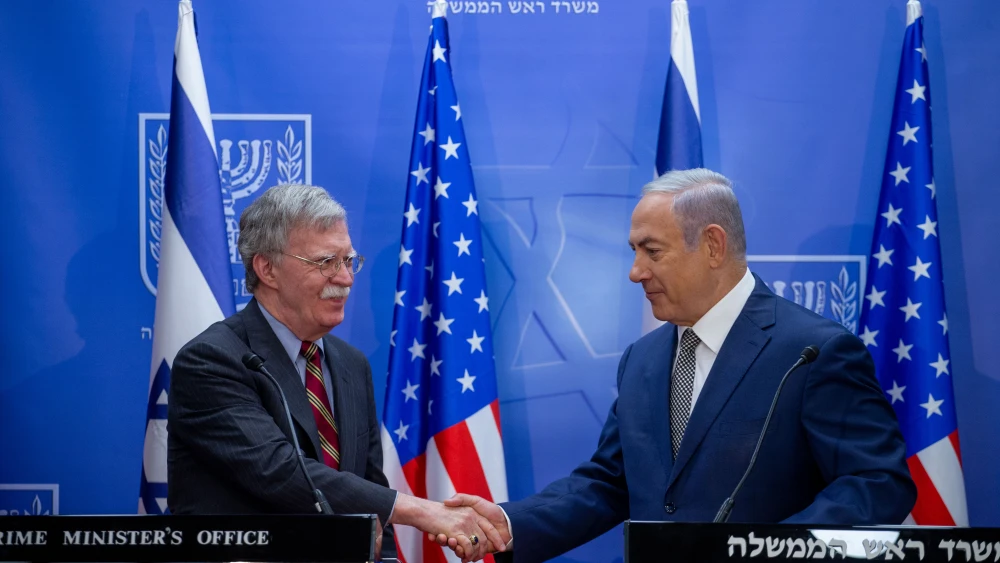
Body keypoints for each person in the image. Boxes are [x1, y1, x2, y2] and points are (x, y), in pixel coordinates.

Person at [436, 168, 916, 563]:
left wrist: (769, 552)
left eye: (652, 251)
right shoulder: (643, 360)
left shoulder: (812, 352)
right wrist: (509, 523)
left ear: (712, 245)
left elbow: (877, 482)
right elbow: (609, 482)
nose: (635, 271)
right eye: (634, 251)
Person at [168, 184, 503, 561]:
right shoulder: (212, 360)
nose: (345, 279)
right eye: (326, 262)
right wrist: (424, 511)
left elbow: (370, 490)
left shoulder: (350, 364)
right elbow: (279, 471)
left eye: (348, 261)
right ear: (267, 268)